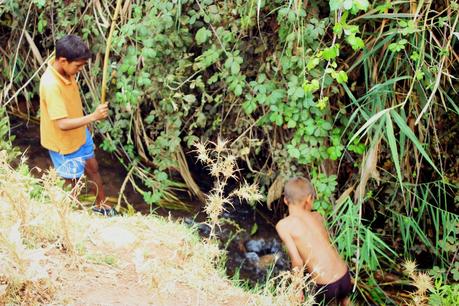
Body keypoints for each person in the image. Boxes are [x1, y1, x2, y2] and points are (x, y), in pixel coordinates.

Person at [39, 34, 114, 215]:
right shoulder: (51, 85)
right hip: (63, 143)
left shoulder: (63, 67)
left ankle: (101, 206)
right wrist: (93, 117)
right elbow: (62, 124)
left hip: (80, 133)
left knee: (93, 167)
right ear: (63, 61)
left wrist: (85, 124)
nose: (80, 70)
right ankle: (71, 217)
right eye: (78, 66)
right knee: (73, 183)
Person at [276, 177, 352, 305]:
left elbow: (297, 261)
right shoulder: (318, 216)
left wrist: (297, 289)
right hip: (344, 276)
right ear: (309, 199)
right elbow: (327, 245)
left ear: (285, 200)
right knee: (345, 301)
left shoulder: (283, 225)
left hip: (327, 284)